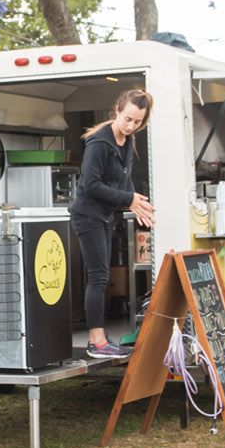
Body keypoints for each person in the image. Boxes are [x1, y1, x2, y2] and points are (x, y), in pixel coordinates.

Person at [69, 89, 154, 360]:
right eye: (127, 119)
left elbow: (124, 182)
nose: (130, 126)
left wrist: (138, 203)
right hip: (88, 215)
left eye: (137, 122)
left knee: (102, 277)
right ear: (117, 110)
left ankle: (101, 339)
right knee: (98, 277)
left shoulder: (127, 141)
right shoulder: (99, 143)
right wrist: (128, 199)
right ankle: (96, 342)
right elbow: (89, 185)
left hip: (105, 216)